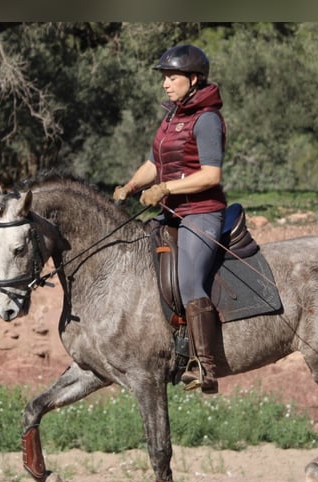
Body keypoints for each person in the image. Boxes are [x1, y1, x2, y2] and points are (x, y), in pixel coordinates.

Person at [114, 44, 227, 395]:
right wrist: (132, 185)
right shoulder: (172, 117)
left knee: (189, 279)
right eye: (164, 77)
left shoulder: (207, 119)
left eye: (172, 77)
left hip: (202, 213)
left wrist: (164, 188)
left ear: (194, 79)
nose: (165, 83)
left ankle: (205, 367)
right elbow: (153, 164)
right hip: (172, 213)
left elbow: (211, 175)